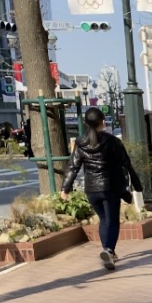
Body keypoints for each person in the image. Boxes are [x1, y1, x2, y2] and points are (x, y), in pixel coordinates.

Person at [61, 107, 143, 271]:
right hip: (110, 188)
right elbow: (126, 164)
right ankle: (108, 250)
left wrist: (65, 188)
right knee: (112, 221)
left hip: (91, 190)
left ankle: (108, 252)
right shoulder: (113, 142)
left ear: (86, 123)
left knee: (104, 220)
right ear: (102, 122)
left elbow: (73, 167)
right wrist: (137, 185)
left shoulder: (80, 142)